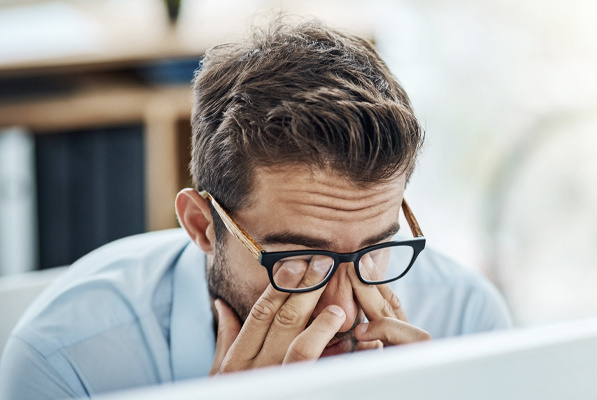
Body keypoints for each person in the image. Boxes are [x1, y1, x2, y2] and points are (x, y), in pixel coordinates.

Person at [0, 19, 511, 399]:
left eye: (375, 250)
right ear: (202, 225)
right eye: (301, 260)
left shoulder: (466, 320)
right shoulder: (67, 364)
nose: (344, 312)